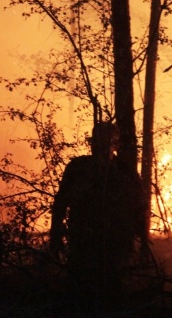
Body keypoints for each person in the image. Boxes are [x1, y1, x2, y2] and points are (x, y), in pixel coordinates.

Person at [49, 122, 142, 310]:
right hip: (83, 238)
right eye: (97, 142)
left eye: (106, 142)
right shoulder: (78, 167)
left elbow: (138, 207)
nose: (99, 146)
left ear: (116, 145)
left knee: (110, 290)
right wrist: (56, 234)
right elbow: (61, 202)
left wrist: (137, 239)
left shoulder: (124, 171)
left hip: (113, 241)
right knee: (80, 290)